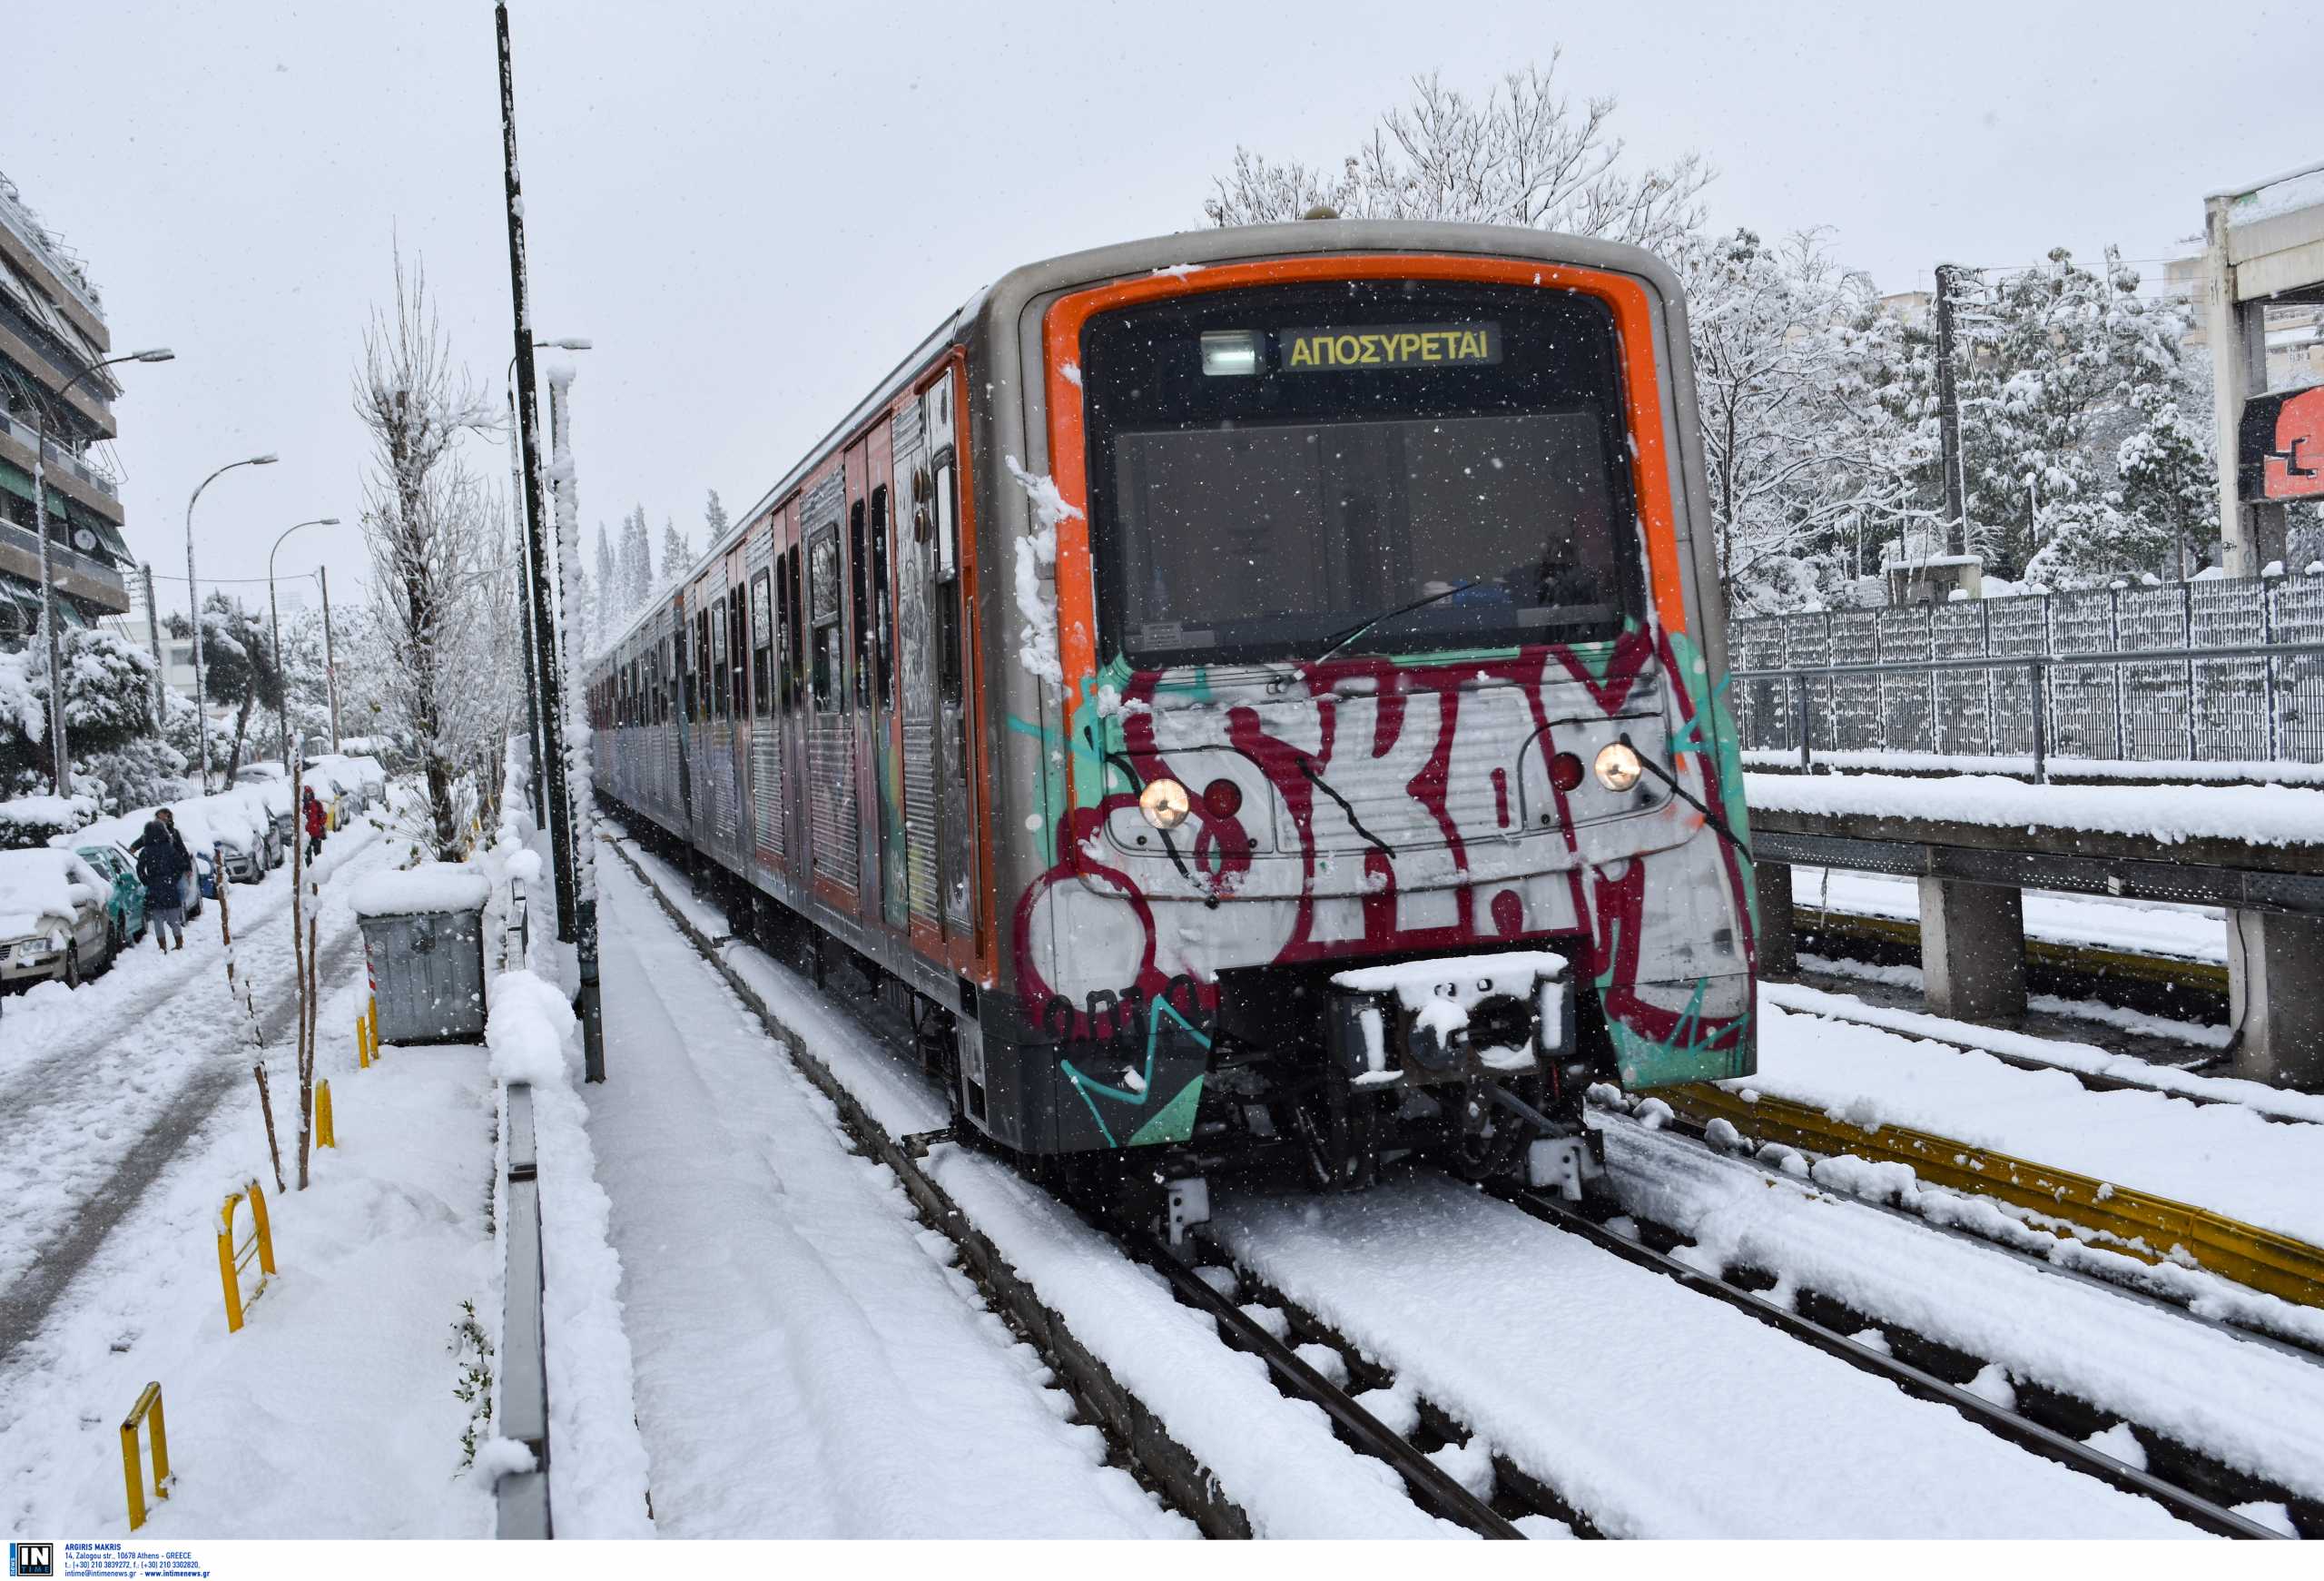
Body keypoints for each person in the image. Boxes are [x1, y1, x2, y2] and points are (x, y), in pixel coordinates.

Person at [133, 808, 192, 953]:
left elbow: (140, 868)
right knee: (173, 917)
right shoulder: (168, 849)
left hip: (155, 888)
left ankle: (162, 946)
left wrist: (147, 881)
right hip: (169, 887)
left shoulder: (146, 851)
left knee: (158, 918)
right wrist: (174, 878)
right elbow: (180, 863)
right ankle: (178, 942)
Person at [301, 786, 327, 862]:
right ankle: (311, 871)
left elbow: (323, 816)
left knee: (318, 855)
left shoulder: (317, 804)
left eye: (308, 794)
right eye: (306, 794)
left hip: (316, 834)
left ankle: (318, 870)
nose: (307, 796)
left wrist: (320, 824)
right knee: (308, 857)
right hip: (306, 835)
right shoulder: (301, 806)